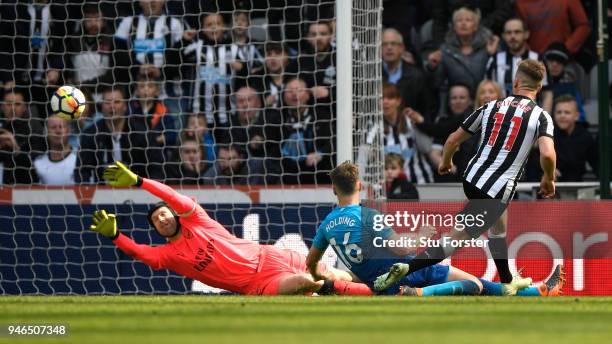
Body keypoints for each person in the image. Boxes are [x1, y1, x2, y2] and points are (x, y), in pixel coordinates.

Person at [374, 59, 557, 295]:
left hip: (472, 179)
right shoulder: (541, 117)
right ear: (539, 88)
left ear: (516, 82)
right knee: (454, 239)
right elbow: (548, 154)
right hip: (496, 188)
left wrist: (446, 161)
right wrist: (548, 179)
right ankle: (406, 267)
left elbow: (452, 139)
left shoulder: (490, 106)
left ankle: (508, 280)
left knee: (498, 227)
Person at [90, 161, 370, 296]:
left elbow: (173, 196)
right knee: (305, 283)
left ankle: (377, 287)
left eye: (164, 214)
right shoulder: (170, 254)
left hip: (271, 256)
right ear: (156, 229)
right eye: (156, 221)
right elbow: (143, 255)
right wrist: (116, 236)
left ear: (174, 215)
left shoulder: (197, 219)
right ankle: (359, 294)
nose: (162, 220)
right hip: (256, 284)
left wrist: (139, 181)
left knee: (330, 272)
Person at [305, 162, 564, 297]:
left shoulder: (327, 225)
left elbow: (312, 261)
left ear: (334, 189)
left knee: (480, 285)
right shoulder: (368, 215)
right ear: (360, 185)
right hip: (408, 273)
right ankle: (419, 294)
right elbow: (402, 247)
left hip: (383, 286)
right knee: (474, 285)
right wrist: (420, 236)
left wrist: (323, 279)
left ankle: (539, 291)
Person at [75, 88, 163, 183]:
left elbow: (156, 168)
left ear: (125, 106)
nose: (112, 106)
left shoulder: (142, 133)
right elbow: (82, 172)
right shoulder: (90, 134)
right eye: (107, 103)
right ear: (102, 107)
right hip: (102, 193)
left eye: (116, 102)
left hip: (138, 192)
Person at [428, 7, 499, 96]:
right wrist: (432, 67)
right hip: (457, 100)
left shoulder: (488, 46)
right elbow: (437, 83)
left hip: (483, 98)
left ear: (476, 26)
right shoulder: (445, 49)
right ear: (454, 27)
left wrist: (492, 55)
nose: (463, 23)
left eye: (468, 20)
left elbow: (496, 77)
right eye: (459, 20)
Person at [279, 77, 334, 185]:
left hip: (319, 172)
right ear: (284, 97)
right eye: (290, 91)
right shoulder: (277, 120)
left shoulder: (322, 116)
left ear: (308, 95)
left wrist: (321, 153)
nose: (294, 94)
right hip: (288, 173)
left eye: (299, 90)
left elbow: (333, 141)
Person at [382, 83, 434, 184]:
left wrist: (420, 123)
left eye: (390, 98)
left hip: (420, 183)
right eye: (382, 98)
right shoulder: (373, 128)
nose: (385, 102)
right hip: (389, 189)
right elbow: (363, 160)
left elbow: (426, 148)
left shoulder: (411, 121)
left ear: (398, 101)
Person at [382, 28, 434, 122]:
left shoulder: (416, 76)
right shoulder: (371, 77)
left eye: (393, 44)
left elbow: (426, 109)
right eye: (384, 44)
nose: (389, 47)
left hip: (409, 128)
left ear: (402, 48)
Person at [486, 17, 542, 96]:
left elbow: (547, 92)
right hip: (501, 108)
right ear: (503, 36)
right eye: (508, 32)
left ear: (526, 34)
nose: (513, 36)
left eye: (517, 32)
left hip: (531, 108)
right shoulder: (494, 60)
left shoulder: (537, 60)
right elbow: (486, 90)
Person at [514, 0, 591, 56]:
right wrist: (530, 54)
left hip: (563, 60)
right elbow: (518, 32)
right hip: (535, 62)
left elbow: (583, 26)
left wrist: (565, 49)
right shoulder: (520, 3)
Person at [552, 95, 597, 181]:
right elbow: (537, 162)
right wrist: (547, 171)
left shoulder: (585, 137)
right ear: (554, 114)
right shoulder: (547, 135)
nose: (562, 116)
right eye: (559, 112)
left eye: (567, 112)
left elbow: (596, 164)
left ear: (577, 116)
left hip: (577, 186)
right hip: (551, 187)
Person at [33, 115, 76, 185]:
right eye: (53, 127)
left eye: (61, 127)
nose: (58, 131)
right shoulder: (38, 163)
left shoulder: (81, 159)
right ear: (45, 132)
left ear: (69, 130)